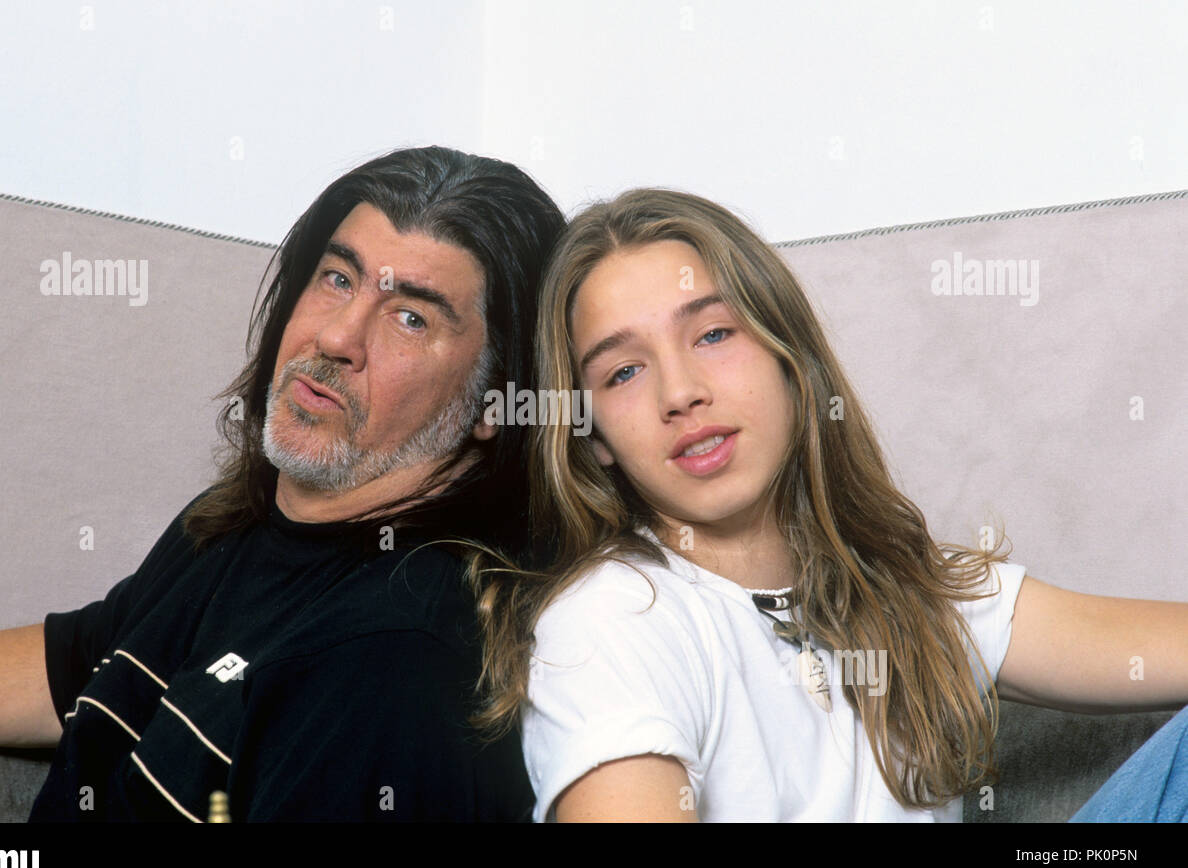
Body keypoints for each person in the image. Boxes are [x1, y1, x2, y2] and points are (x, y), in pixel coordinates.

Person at [467, 187, 1188, 822]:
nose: (680, 392)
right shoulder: (611, 620)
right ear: (593, 436)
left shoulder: (901, 581)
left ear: (791, 360)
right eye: (624, 371)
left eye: (713, 334)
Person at [0, 146, 566, 821]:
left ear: (494, 402)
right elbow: (69, 670)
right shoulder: (240, 524)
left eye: (410, 317)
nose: (337, 337)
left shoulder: (395, 659)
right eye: (337, 278)